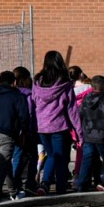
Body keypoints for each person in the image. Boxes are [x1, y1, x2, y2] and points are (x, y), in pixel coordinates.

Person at [30, 51, 77, 194]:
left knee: (51, 155)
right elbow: (72, 108)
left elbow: (33, 102)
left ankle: (45, 184)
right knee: (60, 157)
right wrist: (78, 131)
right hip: (58, 125)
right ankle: (60, 186)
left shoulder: (37, 81)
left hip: (42, 125)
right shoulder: (64, 82)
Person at [0, 70, 30, 200]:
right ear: (13, 82)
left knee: (5, 163)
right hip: (7, 133)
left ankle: (13, 191)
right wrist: (23, 132)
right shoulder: (17, 96)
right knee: (3, 165)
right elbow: (24, 117)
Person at [75, 77, 104, 191]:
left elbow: (80, 114)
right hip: (102, 135)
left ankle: (82, 184)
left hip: (88, 134)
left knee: (87, 160)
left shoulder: (86, 98)